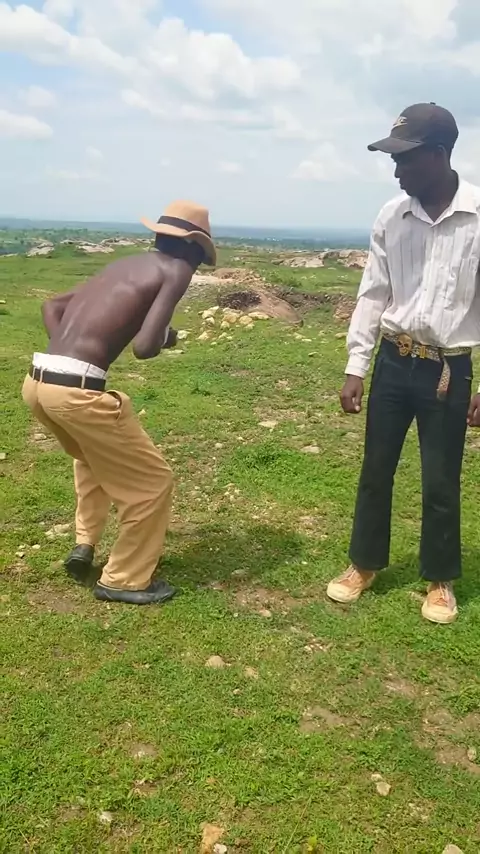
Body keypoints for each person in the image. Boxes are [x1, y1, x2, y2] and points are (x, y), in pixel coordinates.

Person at [327, 103, 480, 624]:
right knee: (376, 470)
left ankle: (439, 580)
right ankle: (363, 564)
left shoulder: (477, 217)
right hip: (394, 361)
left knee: (441, 478)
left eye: (405, 159)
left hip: (448, 370)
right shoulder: (392, 216)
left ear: (438, 155)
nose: (397, 172)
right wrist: (356, 365)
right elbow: (374, 293)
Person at [22, 200, 216, 605]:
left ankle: (85, 543)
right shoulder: (176, 270)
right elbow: (145, 347)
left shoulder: (125, 263)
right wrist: (165, 338)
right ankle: (123, 579)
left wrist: (66, 354)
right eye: (201, 254)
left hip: (38, 381)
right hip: (74, 391)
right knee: (152, 483)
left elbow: (51, 306)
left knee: (92, 458)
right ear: (193, 248)